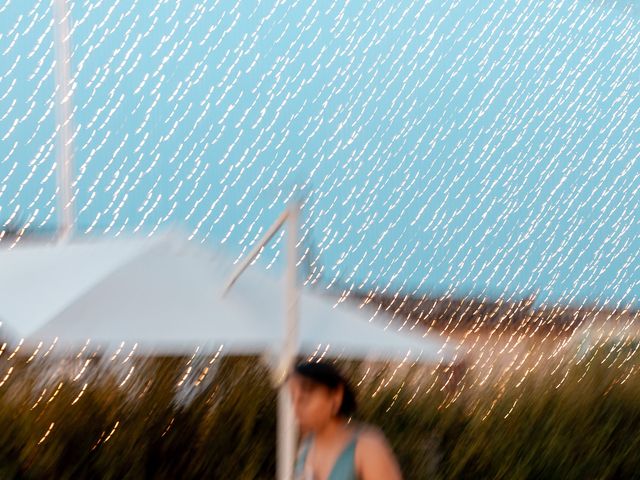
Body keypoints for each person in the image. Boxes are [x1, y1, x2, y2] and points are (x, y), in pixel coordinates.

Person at [288, 360, 403, 480]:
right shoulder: (307, 447)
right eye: (292, 399)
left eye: (305, 399)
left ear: (336, 396)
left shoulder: (368, 448)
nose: (295, 408)